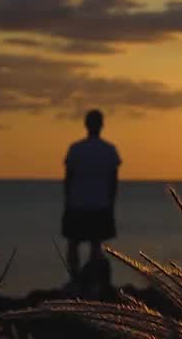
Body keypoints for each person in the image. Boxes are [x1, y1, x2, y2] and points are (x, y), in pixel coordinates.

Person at [62, 109, 120, 295]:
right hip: (100, 205)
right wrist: (111, 204)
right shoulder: (109, 150)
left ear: (86, 125)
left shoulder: (76, 149)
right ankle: (93, 284)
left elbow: (68, 179)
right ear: (101, 125)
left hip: (77, 203)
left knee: (74, 243)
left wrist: (68, 201)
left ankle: (75, 281)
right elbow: (113, 182)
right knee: (96, 245)